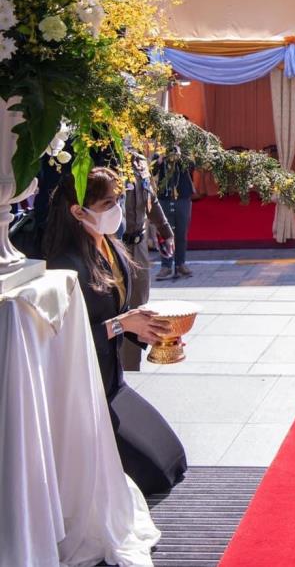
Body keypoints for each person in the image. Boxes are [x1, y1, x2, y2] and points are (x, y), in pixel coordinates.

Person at [44, 167, 187, 495]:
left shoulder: (110, 247)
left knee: (173, 461)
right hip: (83, 388)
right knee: (154, 476)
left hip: (112, 381)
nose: (117, 210)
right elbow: (64, 339)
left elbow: (121, 313)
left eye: (119, 200)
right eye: (108, 203)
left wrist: (153, 331)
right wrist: (123, 324)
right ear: (78, 211)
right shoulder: (65, 264)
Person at [120, 141, 175, 371]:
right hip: (116, 245)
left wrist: (165, 231)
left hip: (139, 246)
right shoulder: (107, 160)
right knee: (117, 307)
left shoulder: (140, 162)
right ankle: (111, 368)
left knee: (139, 305)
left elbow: (150, 199)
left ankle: (132, 368)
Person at [153, 146, 195, 280]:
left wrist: (181, 155)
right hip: (164, 198)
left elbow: (192, 166)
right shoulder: (159, 153)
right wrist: (159, 160)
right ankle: (166, 266)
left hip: (182, 197)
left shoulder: (186, 152)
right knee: (165, 233)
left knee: (181, 233)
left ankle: (180, 264)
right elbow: (151, 171)